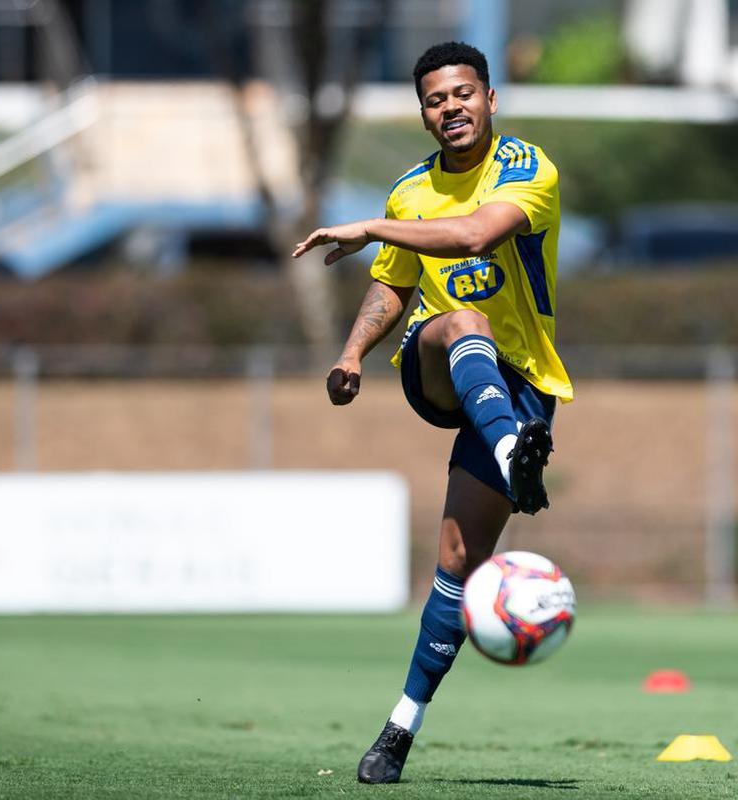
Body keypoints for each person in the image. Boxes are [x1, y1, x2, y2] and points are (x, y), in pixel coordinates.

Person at [292, 40, 573, 785]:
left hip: (521, 385)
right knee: (461, 322)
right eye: (434, 99)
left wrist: (368, 227)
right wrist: (352, 354)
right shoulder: (408, 192)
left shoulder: (527, 168)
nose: (449, 108)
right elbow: (394, 288)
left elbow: (476, 234)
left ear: (489, 99)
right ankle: (515, 447)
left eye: (461, 93)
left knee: (455, 561)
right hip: (440, 364)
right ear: (423, 113)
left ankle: (397, 732)